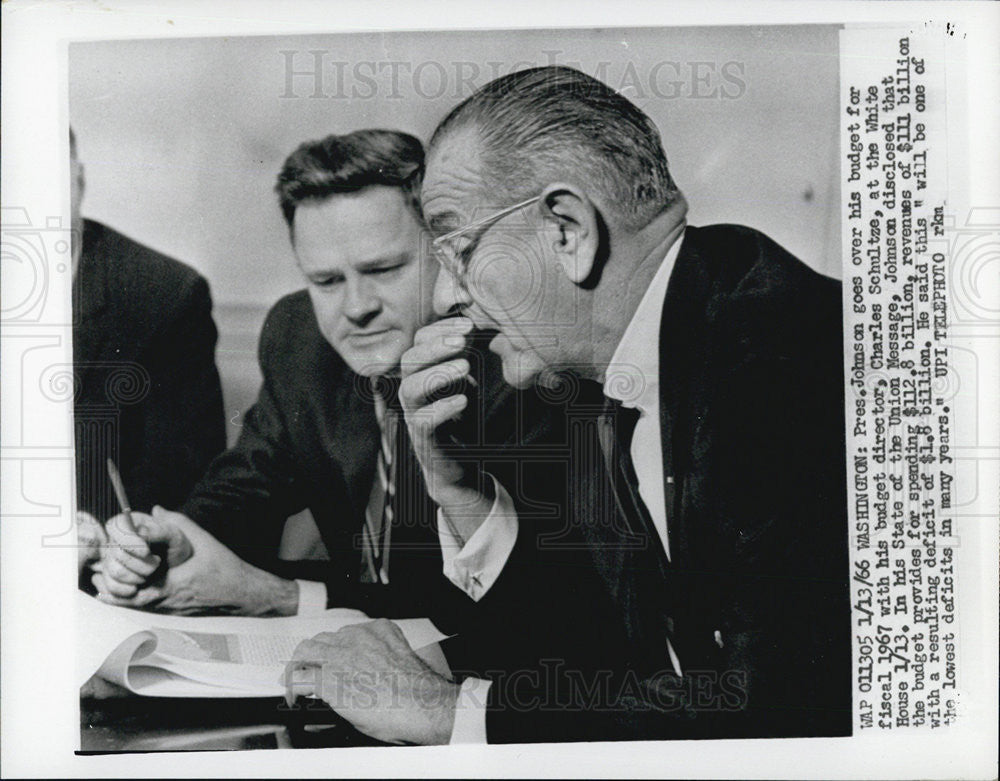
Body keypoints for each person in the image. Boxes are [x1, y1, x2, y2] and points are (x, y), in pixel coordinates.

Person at [288, 66, 851, 744]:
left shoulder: (784, 359)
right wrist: (458, 488)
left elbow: (778, 712)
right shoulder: (612, 361)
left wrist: (445, 714)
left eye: (458, 249)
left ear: (567, 230)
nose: (444, 298)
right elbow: (596, 660)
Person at [71, 127, 226, 578]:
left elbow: (180, 482)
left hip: (100, 575)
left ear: (77, 180)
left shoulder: (164, 294)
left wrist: (97, 542)